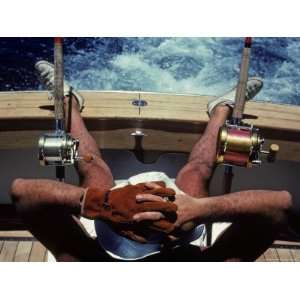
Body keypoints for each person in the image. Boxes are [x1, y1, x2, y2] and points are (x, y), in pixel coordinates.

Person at [10, 61, 292, 262]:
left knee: (94, 168)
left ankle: (69, 102)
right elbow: (279, 203)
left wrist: (103, 203)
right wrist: (199, 209)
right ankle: (221, 109)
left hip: (137, 217)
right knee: (196, 171)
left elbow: (23, 192)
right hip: (175, 215)